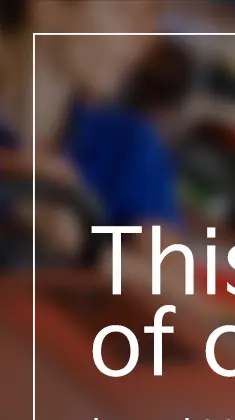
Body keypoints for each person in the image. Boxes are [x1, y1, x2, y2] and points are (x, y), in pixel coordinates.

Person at [0, 0, 177, 259]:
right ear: (48, 7)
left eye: (152, 16)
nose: (145, 38)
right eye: (126, 10)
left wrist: (81, 244)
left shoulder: (129, 144)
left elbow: (171, 276)